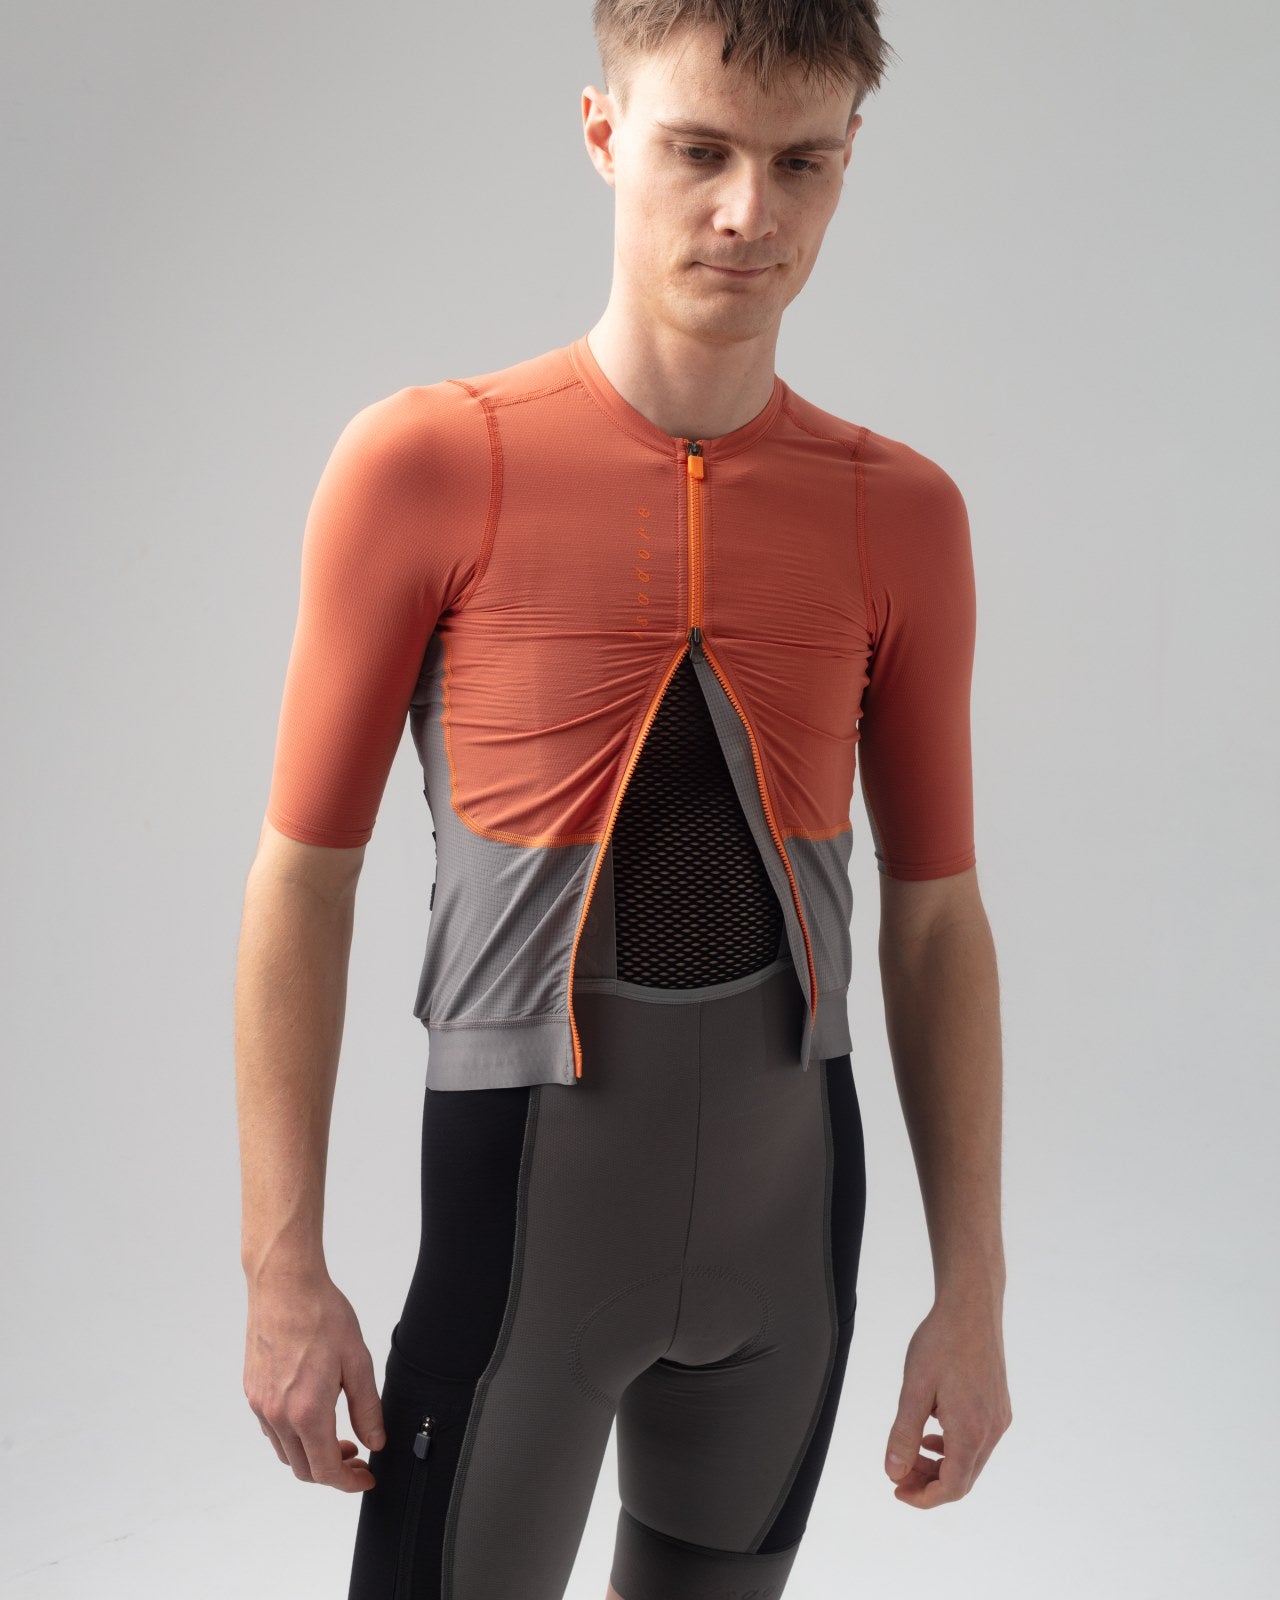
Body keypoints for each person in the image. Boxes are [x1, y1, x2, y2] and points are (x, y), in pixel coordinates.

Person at [235, 3, 1011, 1596]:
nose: (748, 211)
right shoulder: (431, 465)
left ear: (849, 161)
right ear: (603, 134)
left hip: (794, 1252)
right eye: (698, 150)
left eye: (800, 163)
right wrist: (280, 1267)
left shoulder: (902, 515)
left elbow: (937, 921)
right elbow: (301, 880)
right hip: (522, 1249)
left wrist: (974, 1291)